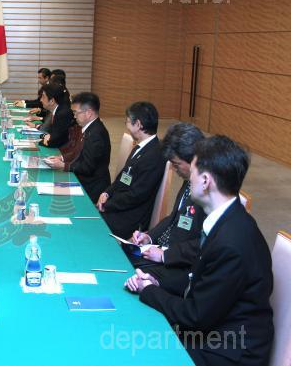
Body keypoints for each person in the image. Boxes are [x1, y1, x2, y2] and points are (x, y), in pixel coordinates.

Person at [125, 135, 273, 366]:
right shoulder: (227, 220)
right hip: (213, 329)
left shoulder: (231, 243)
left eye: (192, 171)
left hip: (228, 349)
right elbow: (200, 281)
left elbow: (195, 316)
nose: (188, 179)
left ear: (205, 181)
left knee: (134, 349)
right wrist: (156, 282)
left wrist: (149, 290)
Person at [127, 123, 206, 281]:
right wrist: (148, 237)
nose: (174, 170)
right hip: (166, 249)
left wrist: (165, 255)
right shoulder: (189, 181)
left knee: (131, 272)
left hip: (183, 265)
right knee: (124, 252)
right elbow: (174, 217)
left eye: (176, 165)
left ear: (194, 160)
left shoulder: (208, 193)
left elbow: (206, 244)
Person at [97, 101, 165, 238]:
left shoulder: (154, 155)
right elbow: (123, 177)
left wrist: (108, 205)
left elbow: (136, 195)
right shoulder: (141, 147)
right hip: (119, 207)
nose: (126, 126)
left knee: (88, 226)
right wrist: (107, 193)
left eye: (127, 122)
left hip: (129, 218)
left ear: (138, 124)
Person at [45, 92, 111, 203]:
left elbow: (88, 167)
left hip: (91, 187)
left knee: (53, 197)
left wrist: (64, 165)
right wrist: (61, 158)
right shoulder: (89, 128)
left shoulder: (96, 134)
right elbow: (77, 151)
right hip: (84, 180)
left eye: (76, 112)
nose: (74, 116)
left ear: (88, 113)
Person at [39, 82, 74, 148]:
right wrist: (45, 137)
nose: (41, 100)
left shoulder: (62, 114)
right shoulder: (58, 110)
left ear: (52, 101)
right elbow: (51, 134)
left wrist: (43, 140)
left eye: (43, 97)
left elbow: (53, 141)